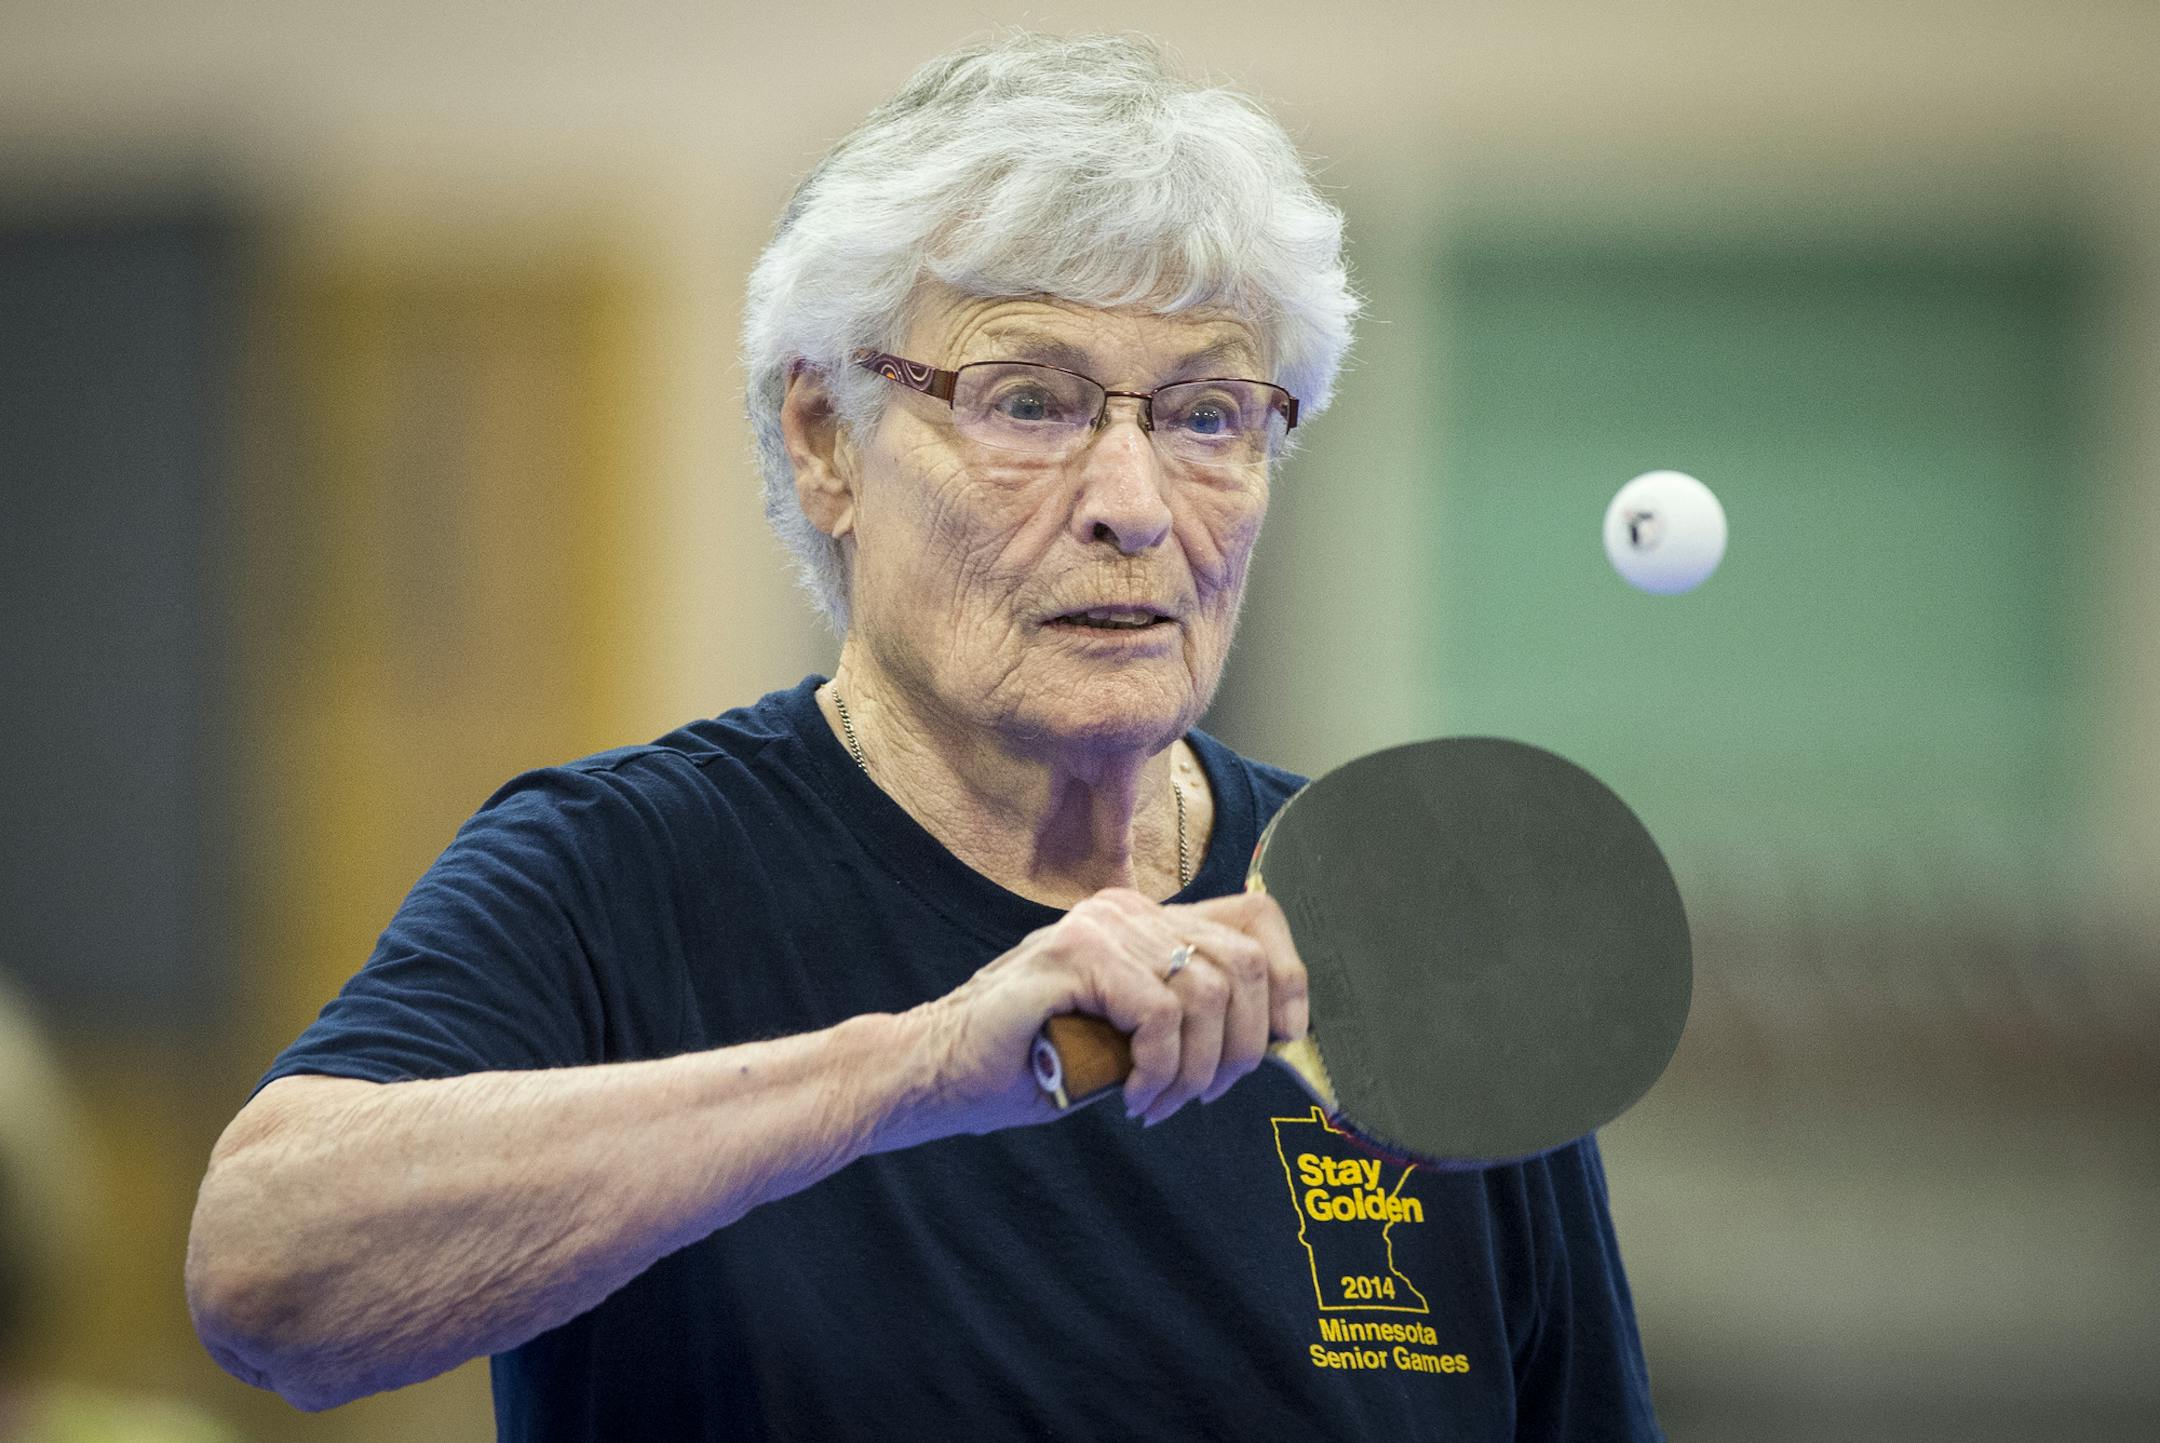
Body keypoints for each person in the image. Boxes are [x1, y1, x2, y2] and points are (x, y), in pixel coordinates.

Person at [185, 32, 1663, 1442]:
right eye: (1031, 400)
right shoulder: (616, 875)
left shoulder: (1410, 926)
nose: (1135, 504)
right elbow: (268, 1276)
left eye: (1211, 414)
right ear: (826, 442)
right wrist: (919, 1070)